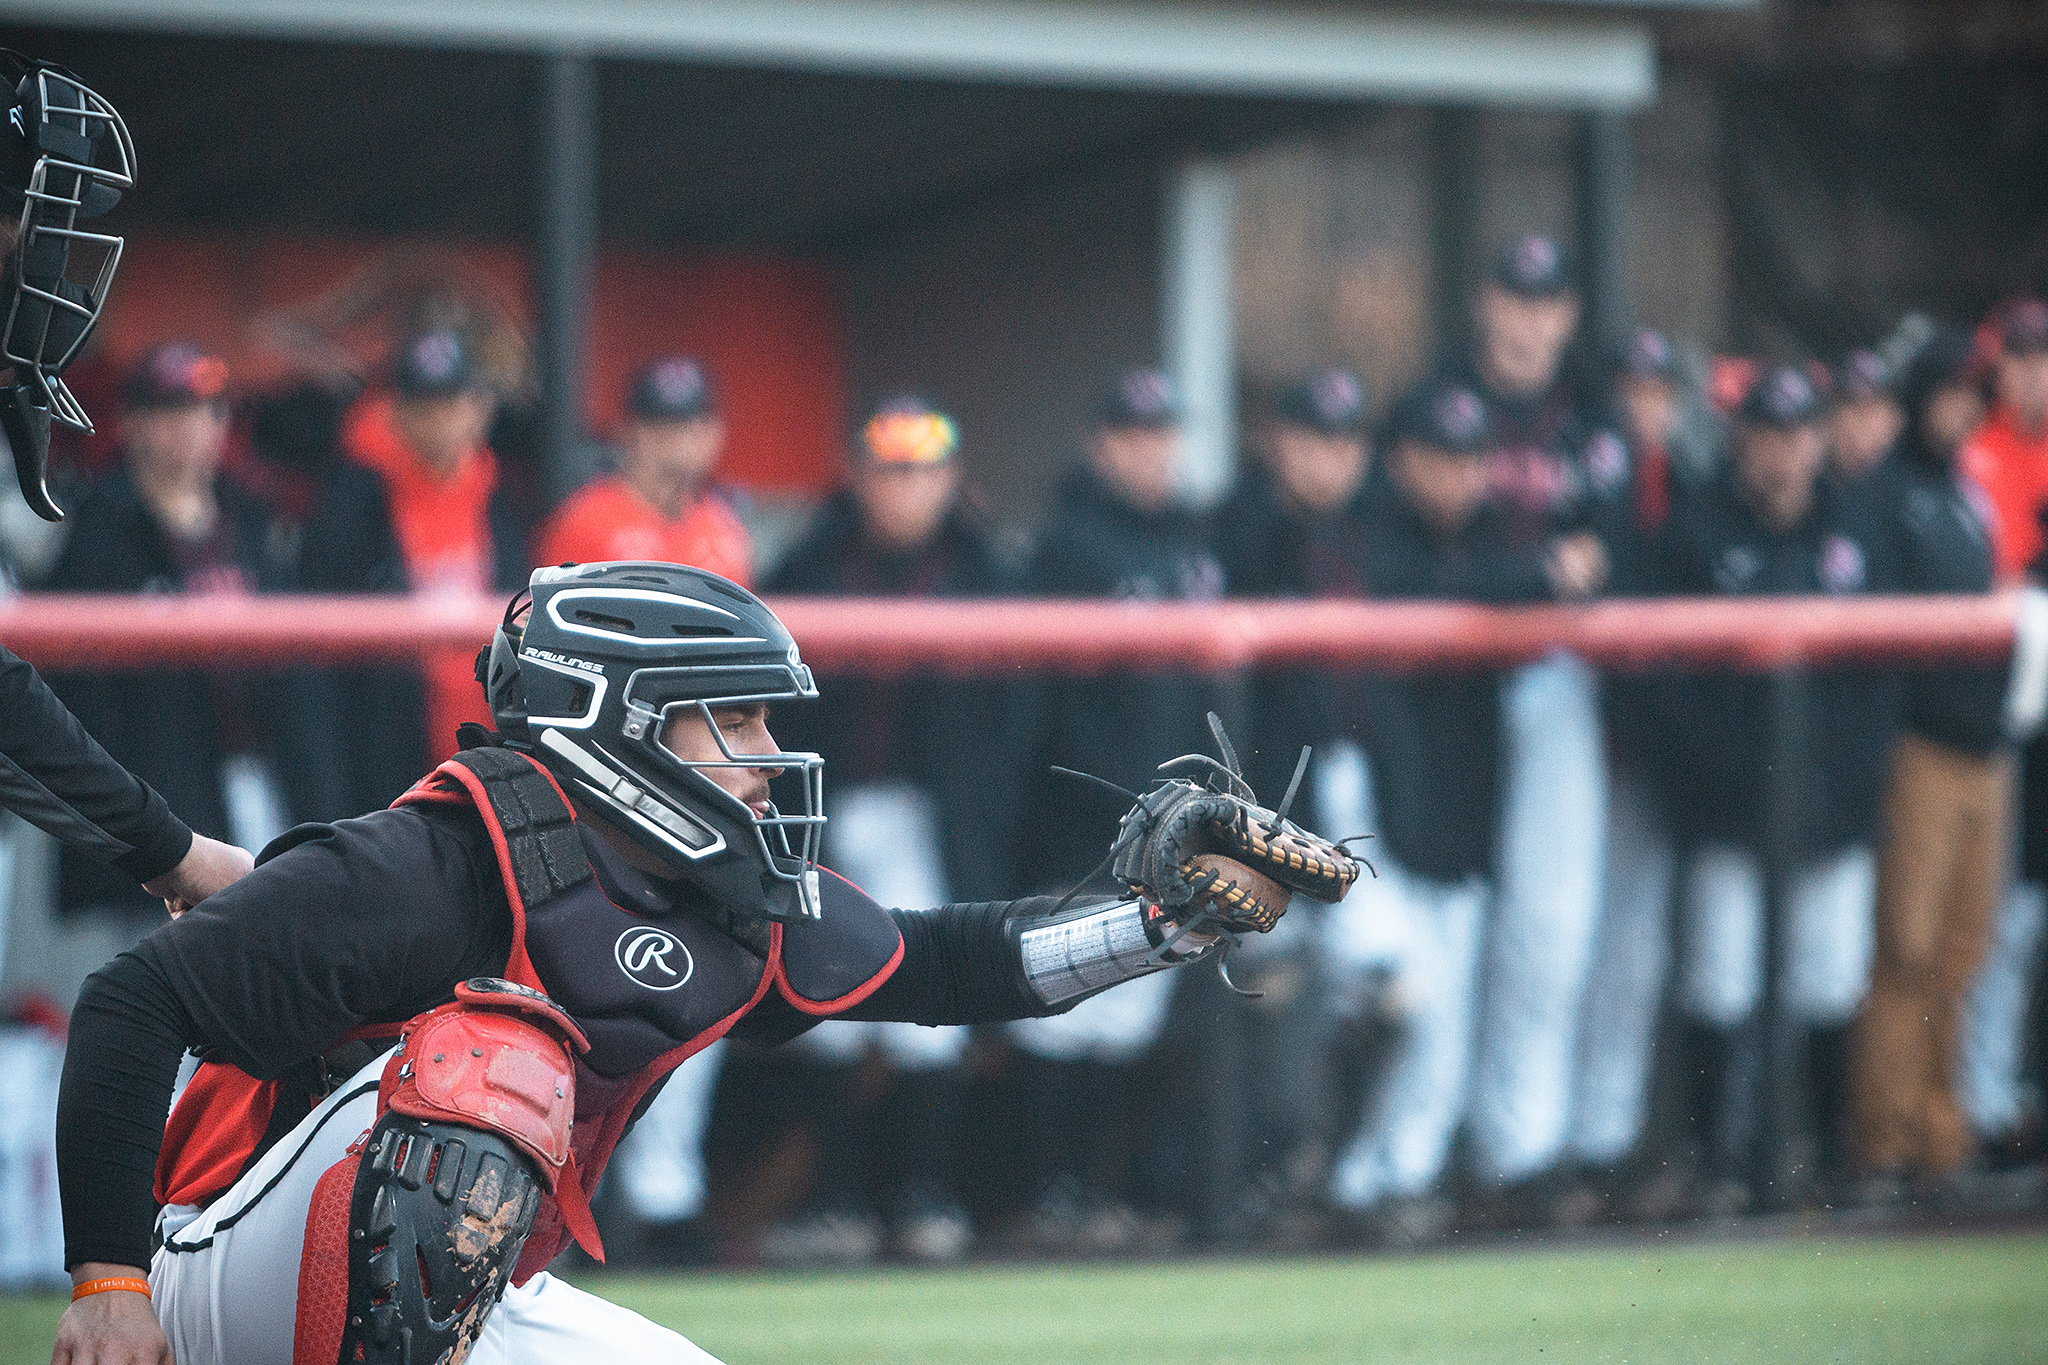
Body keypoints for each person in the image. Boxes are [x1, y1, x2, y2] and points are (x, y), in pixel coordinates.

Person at [50, 560, 1338, 1365]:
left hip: (441, 1302)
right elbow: (129, 1003)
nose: (771, 752)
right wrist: (106, 1280)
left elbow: (942, 969)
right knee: (495, 1065)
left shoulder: (726, 899)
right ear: (621, 731)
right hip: (207, 1275)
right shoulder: (430, 858)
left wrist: (1163, 920)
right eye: (737, 717)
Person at [749, 394, 1025, 1262]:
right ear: (861, 474)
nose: (906, 490)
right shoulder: (809, 560)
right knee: (827, 1004)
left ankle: (924, 1195)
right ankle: (835, 1204)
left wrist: (990, 811)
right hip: (823, 807)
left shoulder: (987, 568)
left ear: (952, 479)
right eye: (891, 471)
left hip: (935, 815)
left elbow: (1020, 716)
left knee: (927, 1000)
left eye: (924, 472)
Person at [1325, 382, 1594, 1240]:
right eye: (1440, 458)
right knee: (1392, 986)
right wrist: (1536, 576)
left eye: (1470, 459)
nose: (1456, 476)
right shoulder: (1361, 529)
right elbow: (1408, 591)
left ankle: (1387, 1182)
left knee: (1439, 1020)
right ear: (1401, 459)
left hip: (1455, 812)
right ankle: (1342, 1169)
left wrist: (1537, 575)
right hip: (1359, 808)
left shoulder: (1487, 539)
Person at [0, 51, 250, 919]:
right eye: (18, 222)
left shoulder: (243, 521)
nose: (33, 253)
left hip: (210, 804)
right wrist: (164, 848)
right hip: (132, 835)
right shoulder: (104, 523)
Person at [1660, 365, 1898, 1209]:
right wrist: (1716, 777)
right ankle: (1715, 1164)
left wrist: (1849, 786)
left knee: (1831, 981)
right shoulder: (1700, 531)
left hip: (1830, 803)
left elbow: (1884, 677)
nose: (1785, 453)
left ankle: (1830, 1157)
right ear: (1743, 441)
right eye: (1768, 436)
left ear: (1819, 440)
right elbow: (1672, 681)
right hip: (1731, 803)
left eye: (1799, 435)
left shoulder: (1856, 531)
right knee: (1718, 981)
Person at [1412, 234, 1615, 1204]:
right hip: (1442, 692)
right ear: (1485, 304)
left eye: (1547, 299)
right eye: (1513, 295)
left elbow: (1626, 556)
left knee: (1548, 928)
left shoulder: (1591, 417)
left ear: (1565, 313)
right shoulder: (1435, 402)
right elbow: (1408, 561)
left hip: (1553, 678)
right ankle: (1429, 1147)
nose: (1529, 316)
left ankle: (1518, 1150)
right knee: (1442, 924)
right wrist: (1533, 575)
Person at [1006, 367, 1227, 1249]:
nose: (1154, 450)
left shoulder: (1195, 545)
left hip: (1177, 820)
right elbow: (1038, 713)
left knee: (1133, 1011)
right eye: (1136, 434)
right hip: (1085, 821)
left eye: (1165, 433)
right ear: (1102, 443)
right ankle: (1047, 1194)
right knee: (1073, 1006)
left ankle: (1101, 1192)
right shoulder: (1066, 547)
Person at [44, 343, 291, 927]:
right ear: (135, 422)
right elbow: (79, 694)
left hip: (258, 773)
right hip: (156, 803)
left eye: (206, 409)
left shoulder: (248, 517)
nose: (191, 427)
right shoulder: (98, 527)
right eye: (170, 409)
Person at [1849, 326, 2011, 1197]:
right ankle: (1886, 1137)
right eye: (1946, 390)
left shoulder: (1968, 489)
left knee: (1963, 952)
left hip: (1984, 750)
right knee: (1905, 946)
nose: (1960, 405)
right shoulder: (1886, 494)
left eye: (1970, 391)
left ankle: (1943, 1136)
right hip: (1920, 747)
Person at [293, 328, 530, 820]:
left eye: (452, 402)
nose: (439, 420)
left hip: (484, 760)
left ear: (480, 407)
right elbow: (314, 668)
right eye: (423, 404)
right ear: (396, 410)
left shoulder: (494, 495)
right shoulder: (353, 501)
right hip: (387, 770)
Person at [1957, 299, 2048, 1164]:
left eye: (2044, 356)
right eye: (2019, 357)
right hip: (2004, 707)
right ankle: (1984, 1105)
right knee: (2006, 920)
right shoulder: (1977, 454)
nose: (2034, 372)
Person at [536, 356, 752, 586]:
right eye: (665, 428)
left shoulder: (724, 525)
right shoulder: (585, 521)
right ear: (630, 431)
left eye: (696, 427)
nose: (684, 441)